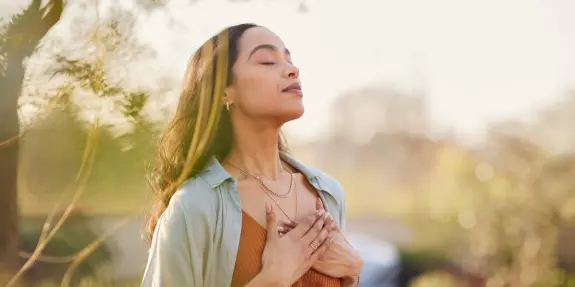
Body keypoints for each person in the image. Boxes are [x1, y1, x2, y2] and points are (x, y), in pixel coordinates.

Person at [141, 23, 363, 287]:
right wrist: (271, 280)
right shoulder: (195, 205)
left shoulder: (328, 193)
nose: (293, 70)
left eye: (289, 59)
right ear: (224, 91)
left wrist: (354, 272)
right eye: (267, 61)